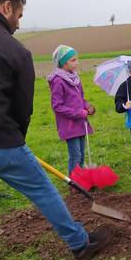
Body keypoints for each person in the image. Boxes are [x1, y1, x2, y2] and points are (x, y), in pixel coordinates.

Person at [0, 0, 109, 260]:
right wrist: (15, 141)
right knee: (43, 191)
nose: (18, 23)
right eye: (19, 15)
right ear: (6, 7)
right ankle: (80, 244)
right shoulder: (14, 51)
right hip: (2, 141)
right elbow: (23, 108)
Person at [48, 45, 95, 175]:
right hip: (69, 125)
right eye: (73, 60)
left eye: (76, 59)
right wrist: (78, 113)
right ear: (63, 62)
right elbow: (57, 106)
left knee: (82, 155)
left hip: (80, 123)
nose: (77, 63)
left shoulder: (75, 78)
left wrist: (88, 107)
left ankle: (81, 179)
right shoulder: (58, 81)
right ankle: (74, 182)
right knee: (76, 156)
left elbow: (81, 98)